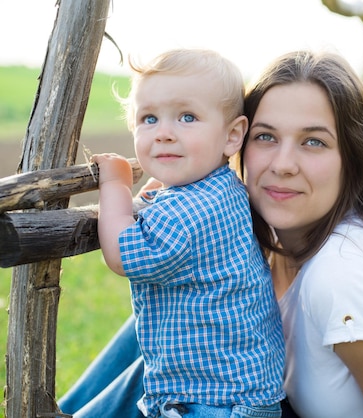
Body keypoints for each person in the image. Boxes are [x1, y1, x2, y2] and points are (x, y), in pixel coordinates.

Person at [59, 49, 363, 418]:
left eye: (313, 142)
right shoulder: (260, 240)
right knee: (163, 319)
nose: (283, 163)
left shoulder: (343, 277)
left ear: (354, 157)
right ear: (239, 142)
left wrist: (114, 189)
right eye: (266, 137)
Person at [88, 48, 285, 418]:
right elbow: (166, 202)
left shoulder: (187, 213)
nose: (163, 133)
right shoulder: (222, 187)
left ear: (232, 136)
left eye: (187, 117)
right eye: (148, 118)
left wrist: (115, 185)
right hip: (242, 393)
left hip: (209, 403)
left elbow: (121, 253)